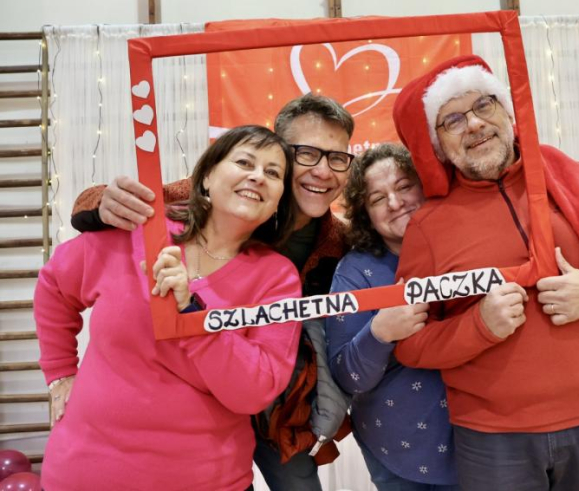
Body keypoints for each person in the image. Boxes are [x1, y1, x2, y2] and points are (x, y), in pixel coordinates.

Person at [390, 55, 579, 490]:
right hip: (492, 440)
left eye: (484, 105)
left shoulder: (575, 179)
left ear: (507, 110)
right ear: (438, 146)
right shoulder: (428, 227)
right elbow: (410, 345)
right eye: (453, 120)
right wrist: (479, 326)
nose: (474, 124)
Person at [68, 94, 355, 491]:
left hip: (274, 399)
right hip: (198, 398)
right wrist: (100, 204)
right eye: (306, 154)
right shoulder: (219, 189)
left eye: (337, 157)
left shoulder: (341, 240)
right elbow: (123, 204)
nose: (323, 170)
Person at [35, 125, 301, 491]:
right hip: (85, 473)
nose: (257, 176)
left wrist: (191, 312)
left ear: (277, 201)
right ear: (205, 177)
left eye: (273, 173)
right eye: (244, 162)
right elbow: (53, 285)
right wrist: (59, 372)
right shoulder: (141, 231)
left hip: (208, 480)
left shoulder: (277, 277)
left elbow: (253, 392)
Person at [327, 144, 459, 491]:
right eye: (377, 198)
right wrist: (379, 333)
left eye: (403, 187)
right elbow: (346, 376)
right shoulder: (355, 271)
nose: (396, 203)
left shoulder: (465, 243)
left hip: (485, 447)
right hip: (396, 457)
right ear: (365, 213)